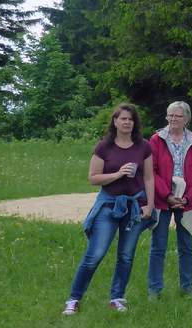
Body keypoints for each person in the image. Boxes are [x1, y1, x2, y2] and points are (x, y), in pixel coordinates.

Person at [63, 104, 155, 315]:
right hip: (109, 205)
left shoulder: (144, 146)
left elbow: (149, 177)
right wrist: (118, 174)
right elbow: (93, 178)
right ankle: (73, 299)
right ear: (115, 121)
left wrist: (149, 204)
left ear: (135, 123)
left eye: (130, 119)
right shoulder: (104, 147)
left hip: (134, 206)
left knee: (126, 255)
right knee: (95, 254)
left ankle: (117, 297)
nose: (126, 122)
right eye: (122, 118)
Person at [147, 101, 192, 300]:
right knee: (158, 246)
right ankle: (154, 290)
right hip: (162, 200)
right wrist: (167, 195)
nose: (173, 119)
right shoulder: (156, 140)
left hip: (187, 201)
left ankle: (187, 287)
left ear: (186, 119)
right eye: (170, 115)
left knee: (186, 246)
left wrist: (188, 197)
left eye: (177, 116)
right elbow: (151, 171)